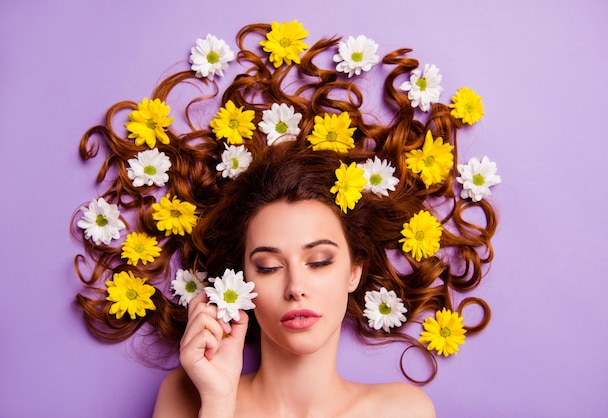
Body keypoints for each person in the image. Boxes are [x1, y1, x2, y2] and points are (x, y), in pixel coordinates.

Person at [73, 21, 498, 418]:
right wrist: (219, 401)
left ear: (354, 271)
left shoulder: (401, 410)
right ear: (241, 282)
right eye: (269, 266)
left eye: (319, 261)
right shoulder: (188, 396)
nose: (296, 288)